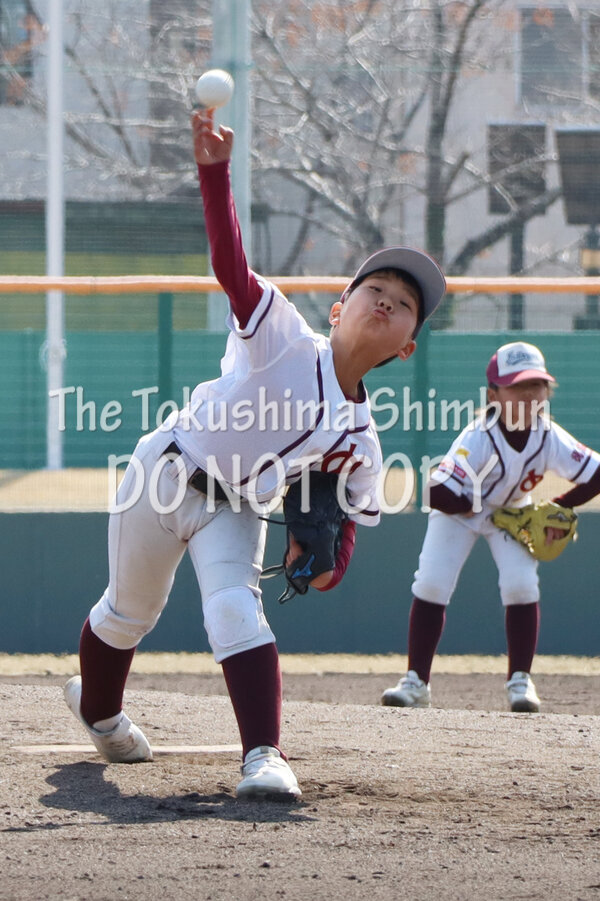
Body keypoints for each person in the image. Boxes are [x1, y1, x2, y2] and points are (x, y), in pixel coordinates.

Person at [63, 108, 446, 798]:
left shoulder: (362, 443)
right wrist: (214, 174)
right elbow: (230, 265)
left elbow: (344, 537)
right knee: (128, 614)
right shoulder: (283, 337)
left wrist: (320, 565)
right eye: (375, 290)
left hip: (235, 507)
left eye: (404, 304)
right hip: (164, 471)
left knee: (236, 611)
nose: (387, 303)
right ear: (339, 308)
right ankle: (100, 713)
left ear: (408, 346)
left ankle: (264, 755)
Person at [381, 341, 600, 713]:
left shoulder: (549, 436)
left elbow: (596, 473)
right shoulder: (479, 436)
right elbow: (435, 491)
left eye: (536, 385)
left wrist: (557, 506)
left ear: (548, 391)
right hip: (459, 512)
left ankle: (520, 681)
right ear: (493, 395)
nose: (528, 394)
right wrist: (471, 507)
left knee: (521, 584)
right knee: (432, 582)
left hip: (513, 513)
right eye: (517, 386)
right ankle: (416, 682)